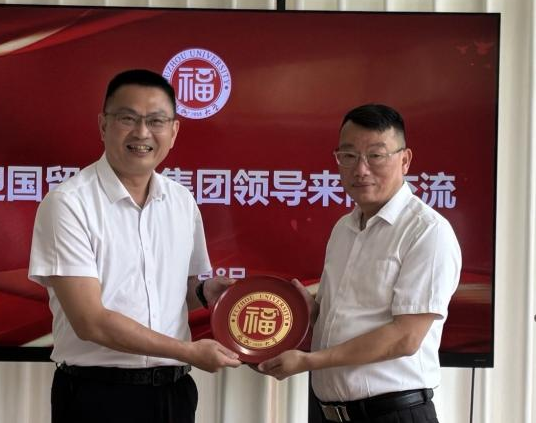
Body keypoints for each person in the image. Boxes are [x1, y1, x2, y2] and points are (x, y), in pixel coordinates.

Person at [28, 69, 241, 423]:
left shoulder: (181, 202)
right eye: (128, 118)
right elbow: (90, 321)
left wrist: (204, 293)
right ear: (103, 125)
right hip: (98, 397)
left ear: (174, 131)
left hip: (174, 394)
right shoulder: (68, 204)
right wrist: (188, 351)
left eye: (156, 121)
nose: (142, 133)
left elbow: (170, 298)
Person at [259, 104, 461, 423]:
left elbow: (405, 337)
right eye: (349, 155)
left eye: (376, 155)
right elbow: (347, 316)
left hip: (393, 414)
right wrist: (309, 314)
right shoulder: (344, 228)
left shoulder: (426, 231)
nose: (361, 169)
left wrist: (310, 361)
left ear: (405, 160)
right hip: (331, 412)